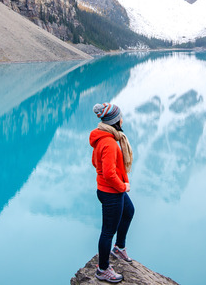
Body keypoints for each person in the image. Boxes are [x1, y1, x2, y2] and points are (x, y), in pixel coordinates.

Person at [90, 102, 135, 283]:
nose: (123, 119)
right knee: (108, 231)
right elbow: (108, 173)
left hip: (110, 190)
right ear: (116, 121)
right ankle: (102, 269)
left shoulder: (104, 138)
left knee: (129, 212)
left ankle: (119, 248)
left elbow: (96, 163)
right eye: (120, 117)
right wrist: (122, 186)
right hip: (111, 193)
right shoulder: (108, 142)